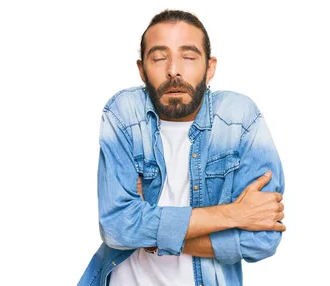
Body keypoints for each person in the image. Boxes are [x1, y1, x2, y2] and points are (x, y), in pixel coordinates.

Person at [78, 9, 286, 286]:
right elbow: (117, 228)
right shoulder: (125, 113)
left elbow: (261, 240)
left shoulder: (239, 119)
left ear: (209, 67)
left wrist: (151, 238)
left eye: (188, 57)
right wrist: (234, 214)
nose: (173, 69)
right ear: (141, 70)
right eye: (159, 57)